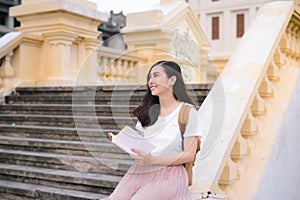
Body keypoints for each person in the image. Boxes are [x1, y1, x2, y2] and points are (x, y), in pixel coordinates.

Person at [103, 60, 202, 200]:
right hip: (141, 171)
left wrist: (154, 159)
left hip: (170, 174)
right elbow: (144, 146)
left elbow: (189, 155)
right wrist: (124, 143)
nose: (151, 81)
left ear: (172, 80)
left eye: (156, 76)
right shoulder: (147, 112)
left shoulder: (187, 112)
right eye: (150, 77)